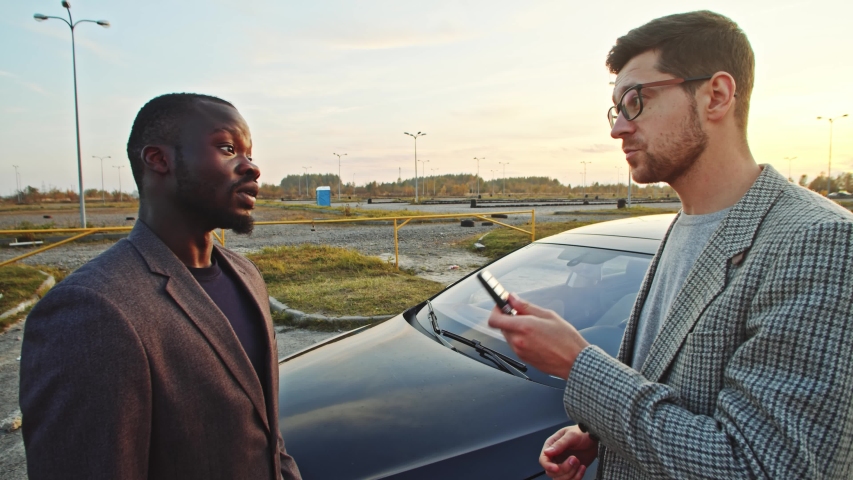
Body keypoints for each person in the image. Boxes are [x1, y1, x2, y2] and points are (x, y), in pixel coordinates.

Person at [489, 11, 853, 480]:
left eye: (636, 101)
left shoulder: (819, 242)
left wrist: (578, 364)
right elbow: (669, 387)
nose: (618, 128)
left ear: (716, 96)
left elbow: (762, 467)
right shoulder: (686, 223)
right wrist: (600, 434)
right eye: (616, 108)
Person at [19, 93, 302, 480]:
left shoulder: (246, 275)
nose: (251, 168)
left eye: (249, 153)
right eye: (227, 148)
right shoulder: (93, 309)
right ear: (158, 159)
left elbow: (269, 443)